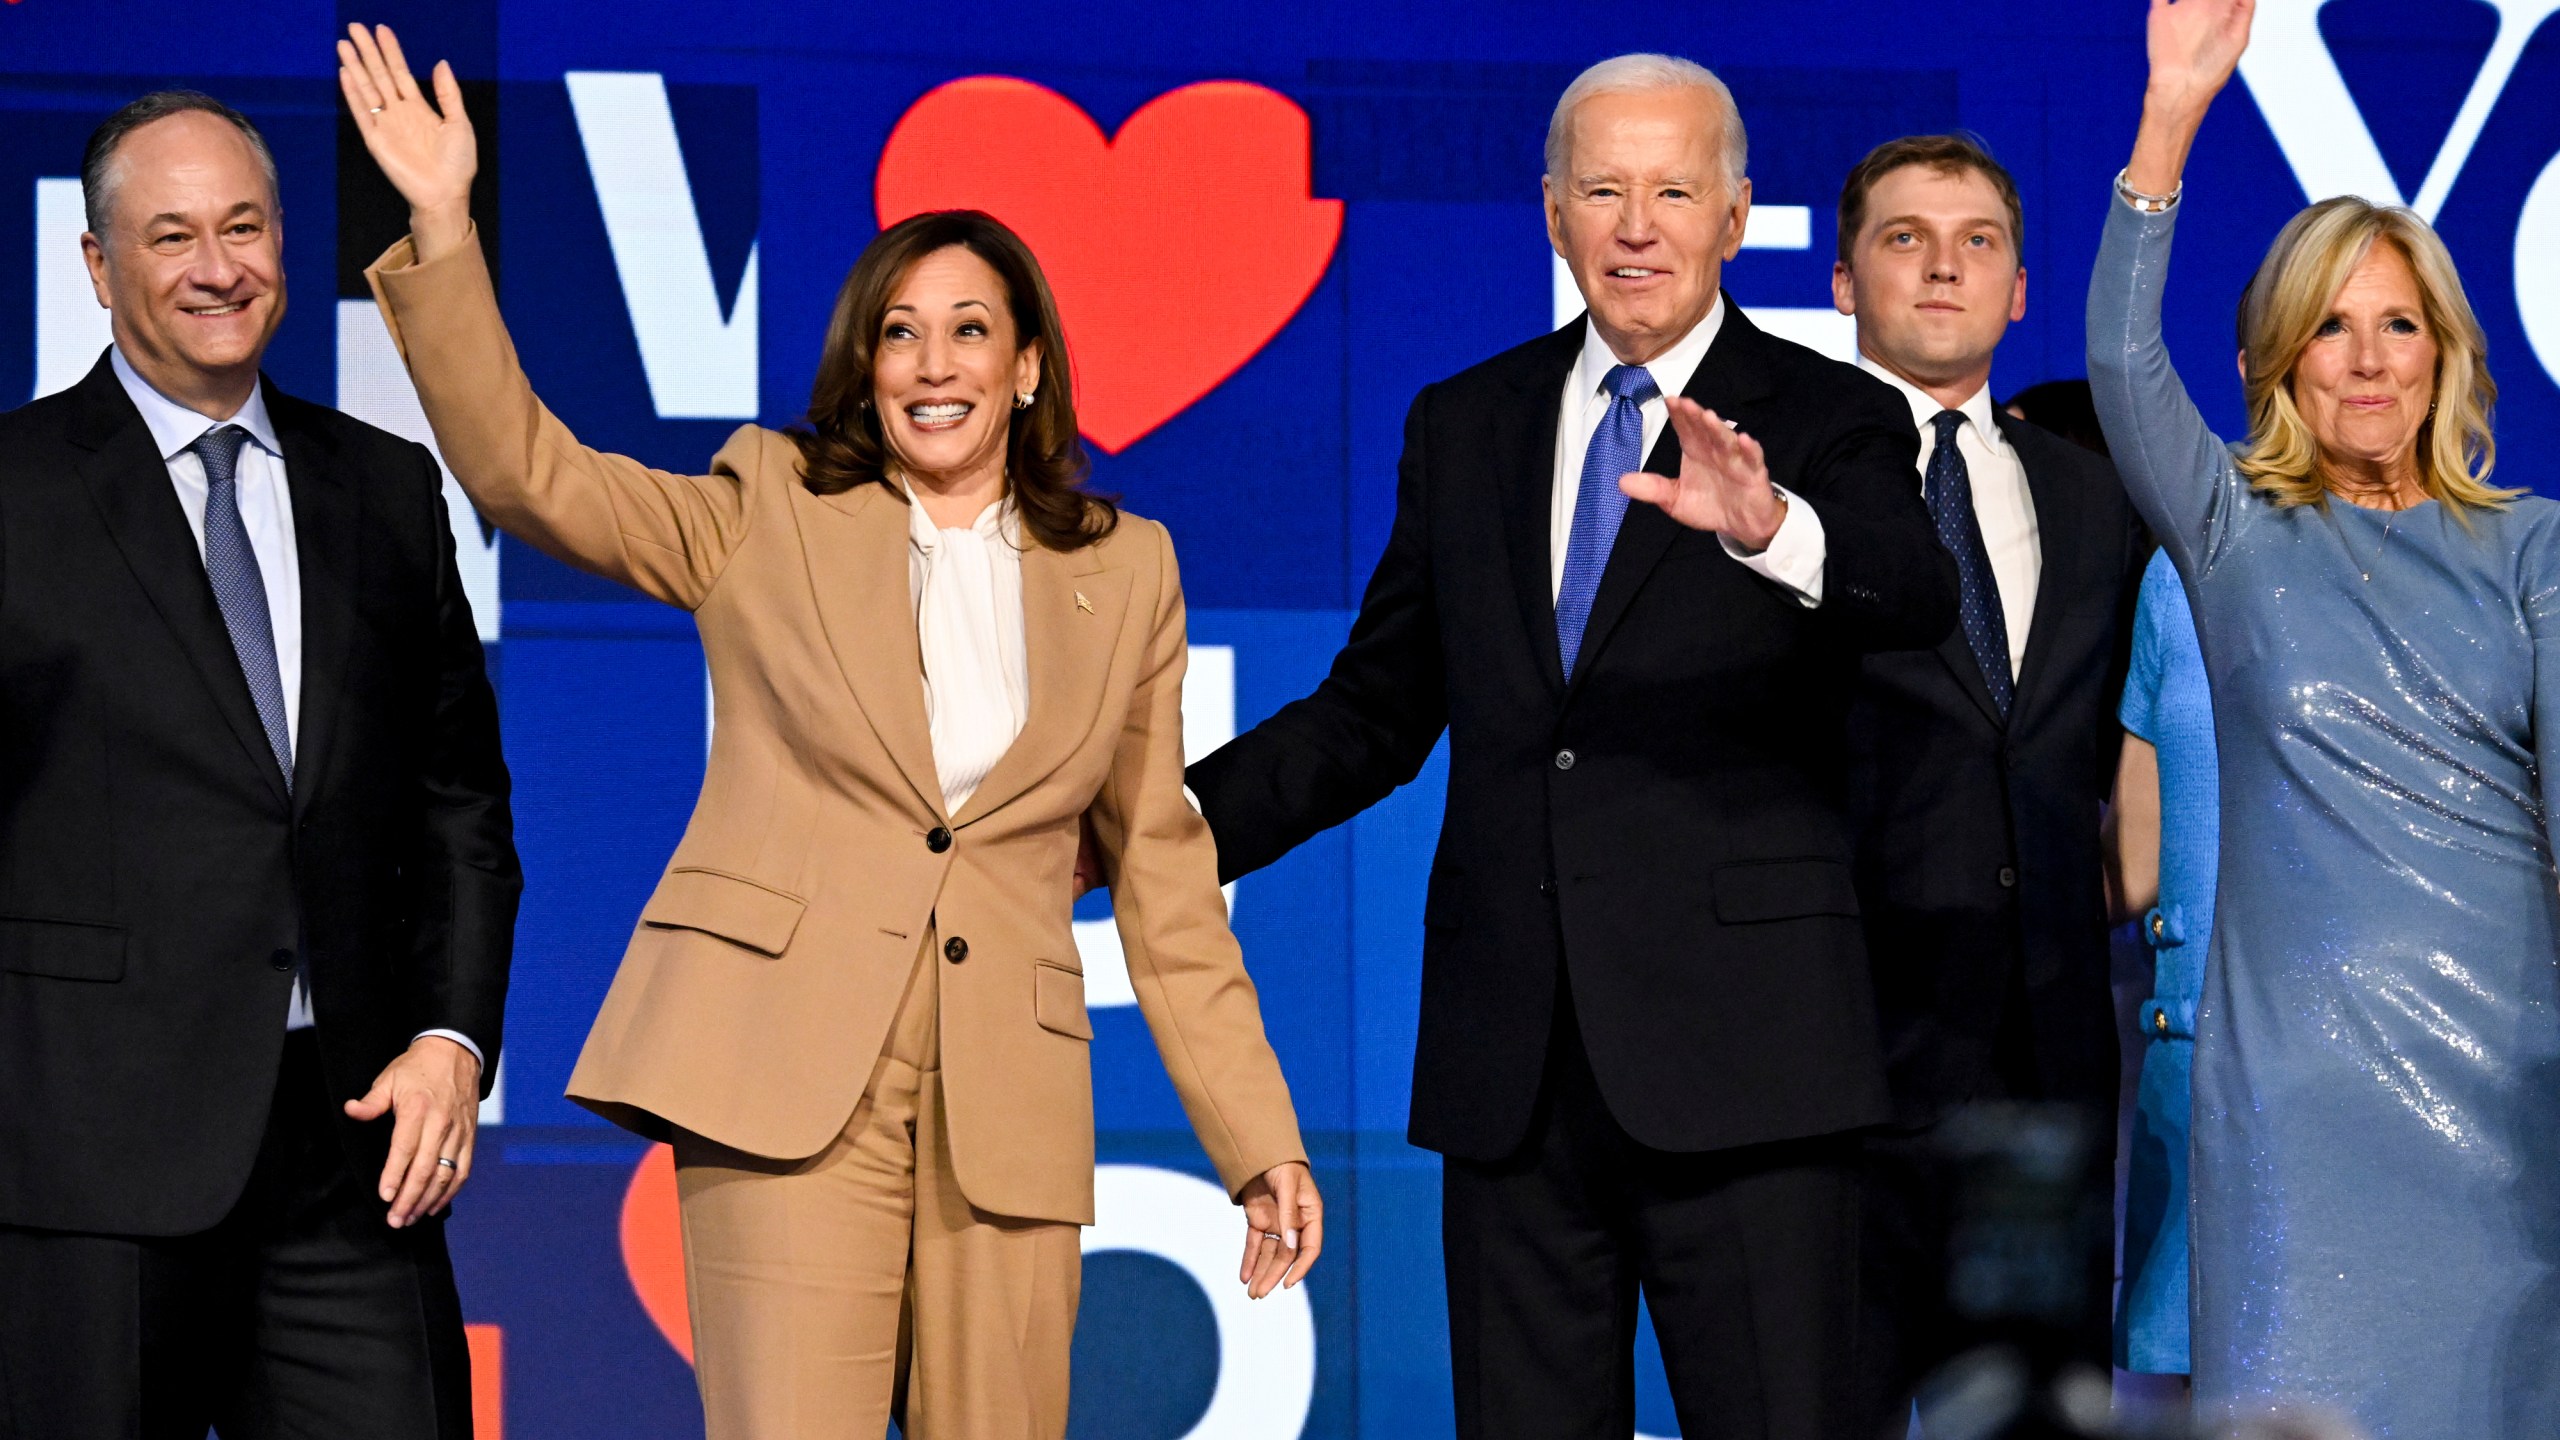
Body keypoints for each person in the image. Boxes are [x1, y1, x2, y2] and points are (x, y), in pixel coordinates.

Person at [337, 24, 1320, 1439]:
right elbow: (528, 470)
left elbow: (1166, 884)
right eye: (899, 333)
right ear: (863, 368)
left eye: (970, 330)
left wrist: (1255, 1140)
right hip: (787, 1081)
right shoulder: (768, 505)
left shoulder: (1129, 567)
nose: (933, 363)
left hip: (1007, 1109)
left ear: (1030, 368)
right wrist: (440, 221)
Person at [1186, 52, 1957, 1440]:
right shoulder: (1465, 422)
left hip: (1752, 1068)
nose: (1639, 224)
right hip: (1517, 1069)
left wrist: (1770, 528)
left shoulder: (1831, 411)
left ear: (1735, 216)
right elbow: (1373, 712)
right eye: (1605, 189)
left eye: (1674, 190)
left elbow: (1913, 592)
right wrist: (1152, 835)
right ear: (1553, 212)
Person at [0, 89, 517, 1438]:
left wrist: (453, 1039)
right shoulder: (14, 492)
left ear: (286, 245)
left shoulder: (388, 492)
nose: (217, 267)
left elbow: (461, 806)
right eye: (172, 236)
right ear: (100, 268)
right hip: (80, 1172)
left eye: (244, 226)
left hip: (353, 1162)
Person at [2091, 0, 2560, 1430]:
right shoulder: (2232, 533)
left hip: (2509, 1091)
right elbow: (2121, 363)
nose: (2367, 359)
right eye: (2330, 328)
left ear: (2448, 352)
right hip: (2293, 1107)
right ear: (2280, 358)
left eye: (2398, 324)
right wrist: (2170, 117)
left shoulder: (2534, 543)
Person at [1827, 134, 2145, 1427]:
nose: (1944, 268)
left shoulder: (2102, 500)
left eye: (1979, 244)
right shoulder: (1767, 494)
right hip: (1828, 1057)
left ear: (2021, 289)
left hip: (2047, 1061)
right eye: (1904, 238)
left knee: (2034, 1412)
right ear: (1845, 277)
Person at [2102, 544, 2216, 1385]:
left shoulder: (2513, 556)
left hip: (2418, 1079)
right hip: (2200, 1097)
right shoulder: (2178, 578)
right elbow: (2134, 870)